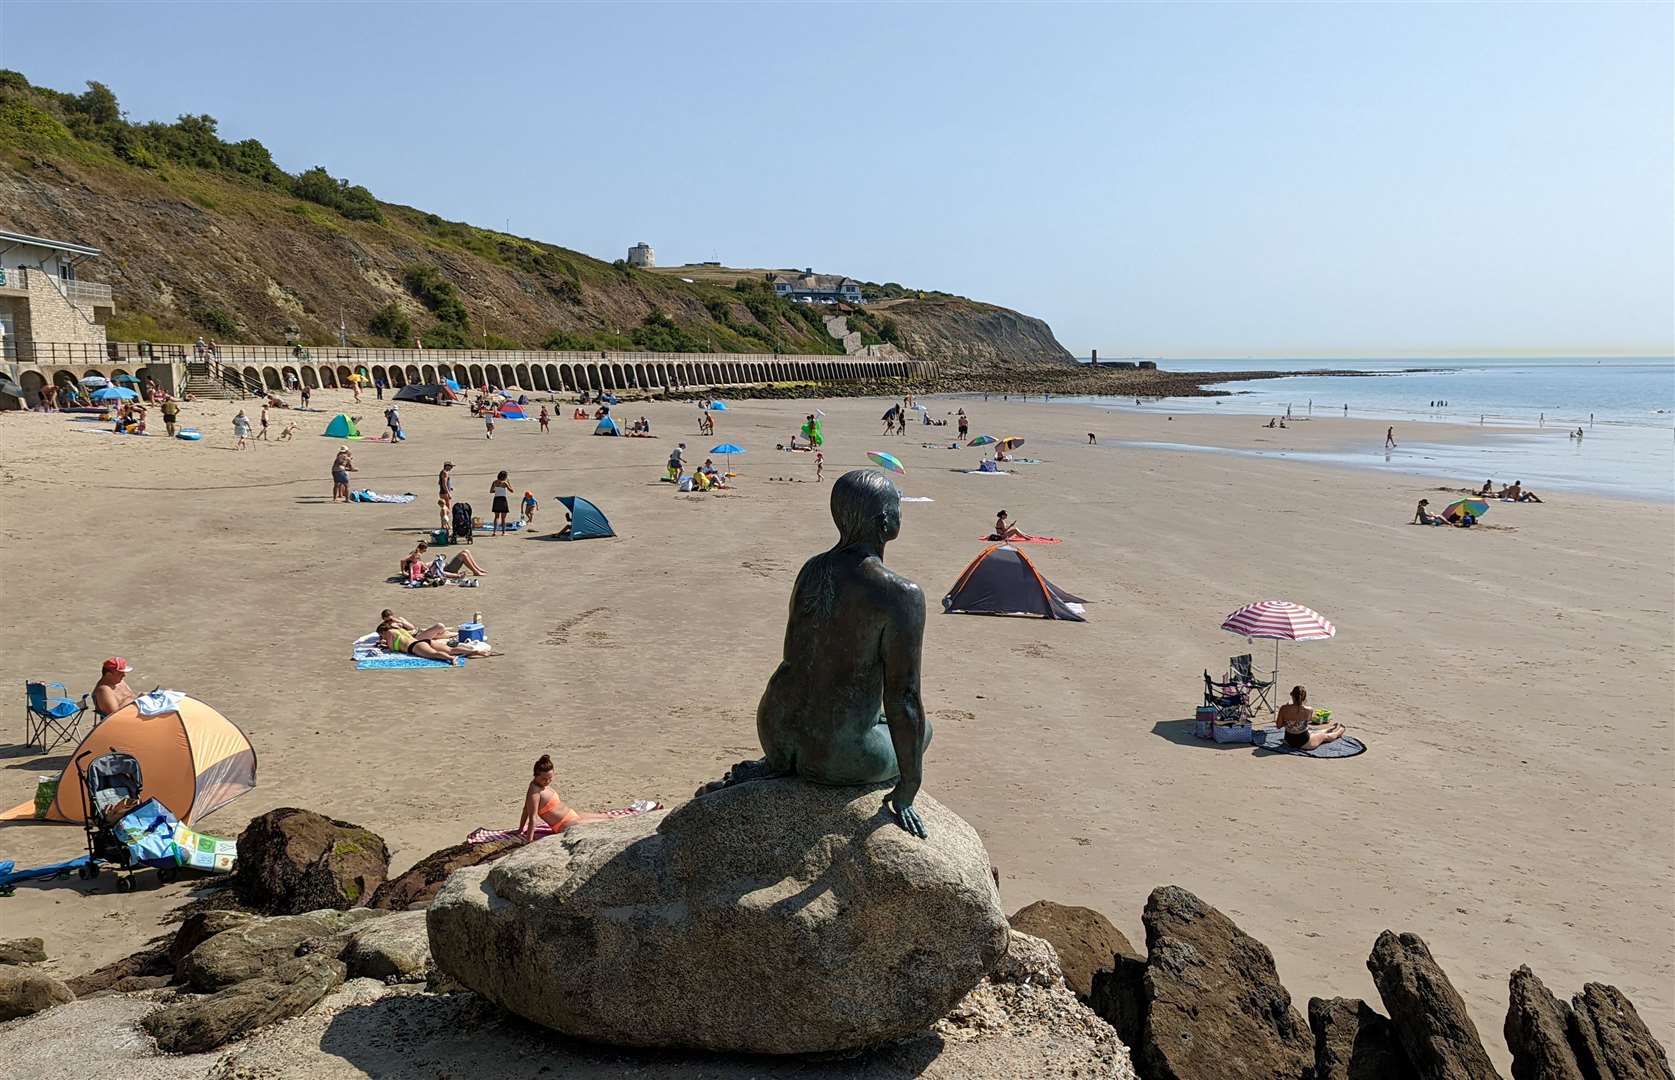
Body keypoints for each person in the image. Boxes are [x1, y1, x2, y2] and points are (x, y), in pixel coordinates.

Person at [519, 754, 615, 842]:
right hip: (565, 824)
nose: (547, 781)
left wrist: (520, 829)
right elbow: (531, 815)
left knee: (609, 817)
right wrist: (529, 841)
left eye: (550, 778)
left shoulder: (542, 785)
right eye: (544, 779)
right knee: (608, 823)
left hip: (573, 815)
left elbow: (525, 809)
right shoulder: (534, 792)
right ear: (536, 775)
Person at [1276, 685, 1345, 751]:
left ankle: (1329, 729)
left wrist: (1287, 722)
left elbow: (1278, 726)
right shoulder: (1309, 709)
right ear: (1304, 698)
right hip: (1304, 742)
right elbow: (1307, 721)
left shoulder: (1284, 708)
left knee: (1312, 732)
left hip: (1288, 741)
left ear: (1292, 695)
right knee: (1324, 736)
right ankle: (1339, 732)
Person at [377, 618, 475, 662]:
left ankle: (451, 658)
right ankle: (476, 651)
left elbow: (392, 649)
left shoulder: (389, 633)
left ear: (383, 631)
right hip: (423, 641)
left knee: (434, 654)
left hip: (414, 647)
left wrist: (384, 645)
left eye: (381, 635)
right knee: (450, 650)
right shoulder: (399, 629)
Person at [402, 540, 486, 577]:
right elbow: (403, 560)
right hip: (448, 569)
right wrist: (403, 571)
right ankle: (476, 572)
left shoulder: (419, 562)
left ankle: (477, 569)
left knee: (466, 551)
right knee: (463, 554)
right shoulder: (418, 568)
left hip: (446, 565)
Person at [489, 470, 513, 534]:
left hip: (496, 499)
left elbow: (491, 491)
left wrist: (497, 491)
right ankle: (503, 532)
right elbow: (511, 490)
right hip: (503, 499)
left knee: (496, 516)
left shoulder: (494, 482)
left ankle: (494, 532)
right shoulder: (505, 483)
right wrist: (508, 483)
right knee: (503, 517)